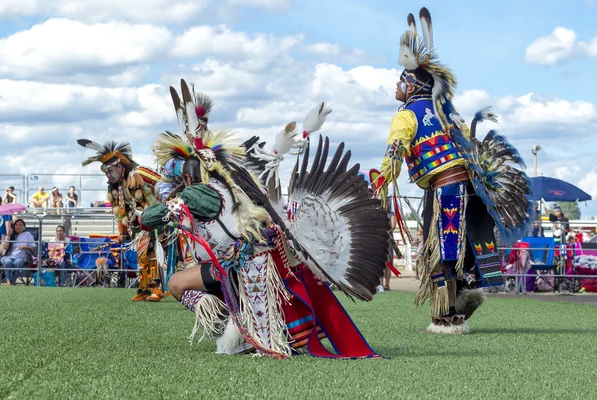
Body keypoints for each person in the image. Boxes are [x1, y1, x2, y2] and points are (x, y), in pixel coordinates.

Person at [139, 79, 389, 358]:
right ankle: (233, 325)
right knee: (182, 282)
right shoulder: (223, 179)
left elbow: (148, 219)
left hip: (248, 264)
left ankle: (251, 335)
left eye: (178, 176)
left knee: (183, 287)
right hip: (234, 264)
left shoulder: (199, 194)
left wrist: (169, 195)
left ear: (187, 177)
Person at [374, 8, 532, 333]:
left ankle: (446, 317)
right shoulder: (445, 109)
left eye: (401, 79)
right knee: (460, 246)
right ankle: (464, 296)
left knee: (442, 250)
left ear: (414, 85)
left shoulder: (406, 116)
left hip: (446, 188)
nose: (396, 84)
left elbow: (394, 152)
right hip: (469, 188)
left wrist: (378, 181)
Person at [77, 139, 164, 301]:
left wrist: (155, 214)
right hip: (137, 224)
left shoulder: (138, 175)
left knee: (150, 252)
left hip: (154, 221)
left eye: (110, 171)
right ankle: (144, 289)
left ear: (120, 166)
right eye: (106, 173)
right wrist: (122, 231)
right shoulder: (115, 187)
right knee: (141, 255)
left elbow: (159, 192)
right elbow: (119, 211)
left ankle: (156, 288)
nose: (109, 175)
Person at [0, 219, 36, 286]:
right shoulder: (10, 235)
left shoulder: (27, 234)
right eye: (16, 225)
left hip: (20, 257)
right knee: (8, 262)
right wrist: (8, 235)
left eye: (20, 225)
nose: (18, 226)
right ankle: (8, 280)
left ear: (24, 227)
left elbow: (33, 248)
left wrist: (25, 247)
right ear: (14, 226)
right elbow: (5, 248)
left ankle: (13, 281)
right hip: (8, 256)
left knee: (18, 262)